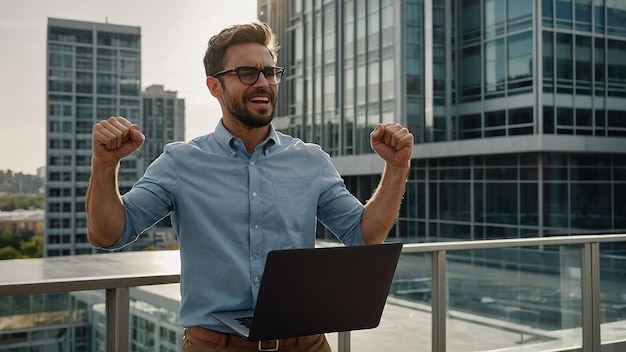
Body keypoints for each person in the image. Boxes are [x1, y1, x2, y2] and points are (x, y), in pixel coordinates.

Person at [86, 21, 413, 352]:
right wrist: (105, 165)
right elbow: (109, 234)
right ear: (214, 86)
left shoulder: (310, 160)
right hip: (215, 346)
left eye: (270, 73)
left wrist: (397, 168)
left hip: (307, 343)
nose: (263, 83)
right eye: (247, 73)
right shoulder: (180, 162)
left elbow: (363, 235)